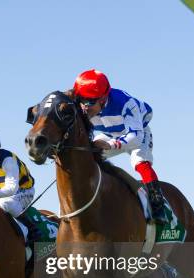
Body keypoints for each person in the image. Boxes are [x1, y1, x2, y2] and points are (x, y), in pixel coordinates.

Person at [72, 69, 168, 224]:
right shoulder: (83, 104)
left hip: (135, 132)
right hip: (108, 133)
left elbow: (135, 138)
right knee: (87, 158)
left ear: (103, 99)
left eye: (90, 102)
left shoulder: (125, 103)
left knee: (140, 162)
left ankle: (158, 205)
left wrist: (110, 145)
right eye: (81, 100)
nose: (84, 107)